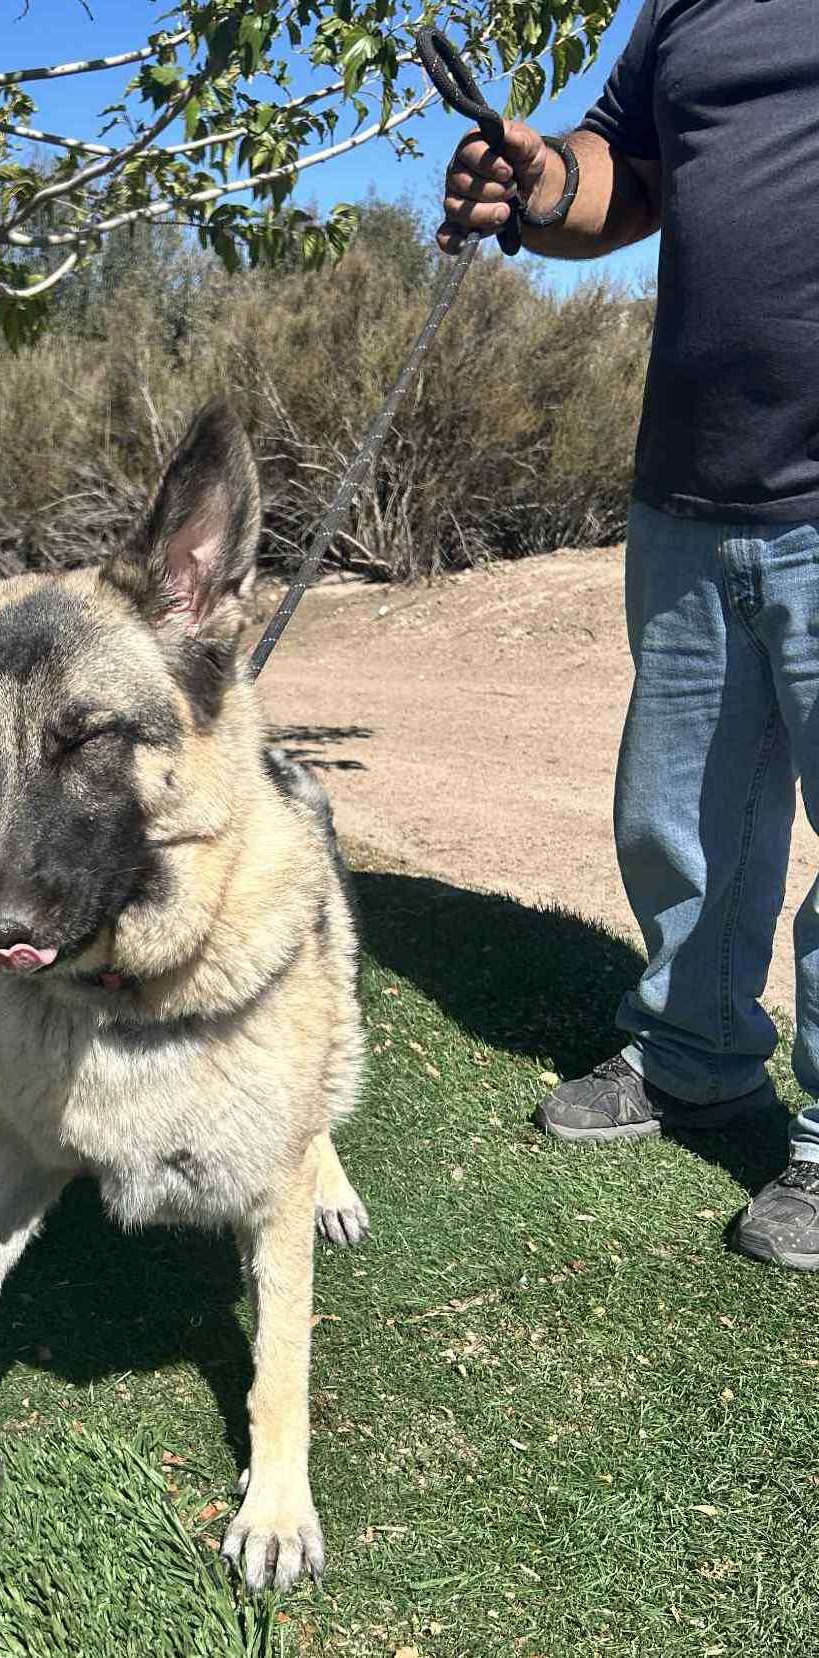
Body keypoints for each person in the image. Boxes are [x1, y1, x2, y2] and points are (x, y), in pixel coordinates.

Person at [437, 1, 819, 1270]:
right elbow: (623, 167)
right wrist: (535, 179)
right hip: (692, 476)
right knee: (680, 811)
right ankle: (692, 1050)